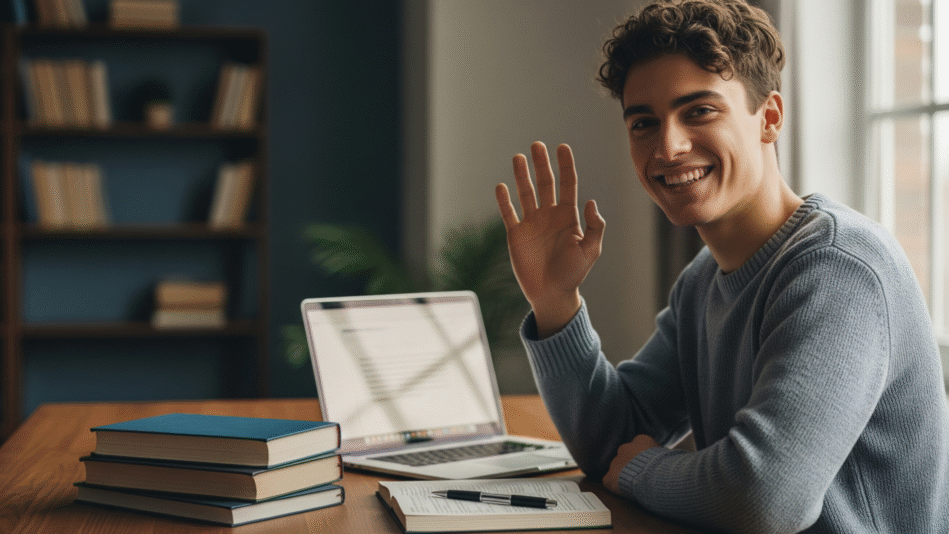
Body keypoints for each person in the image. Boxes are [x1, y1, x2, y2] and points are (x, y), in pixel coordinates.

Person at [494, 0, 949, 532]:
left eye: (699, 111)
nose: (668, 146)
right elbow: (613, 442)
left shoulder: (838, 268)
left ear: (770, 118)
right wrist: (555, 301)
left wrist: (642, 470)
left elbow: (764, 498)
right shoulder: (704, 281)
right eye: (644, 122)